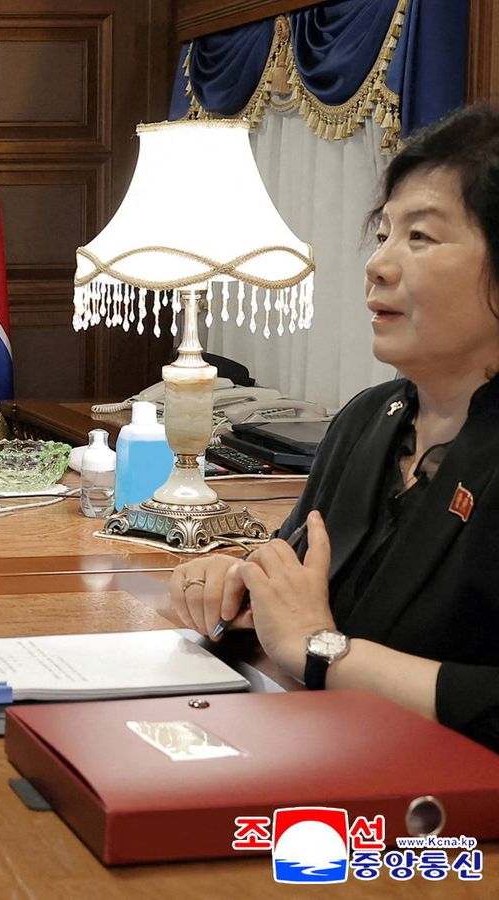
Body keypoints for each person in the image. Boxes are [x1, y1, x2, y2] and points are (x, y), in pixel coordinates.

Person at [166, 104, 499, 752]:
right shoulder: (369, 420)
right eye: (383, 234)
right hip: (317, 754)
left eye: (421, 238)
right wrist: (241, 586)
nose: (378, 265)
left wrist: (324, 651)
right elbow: (300, 579)